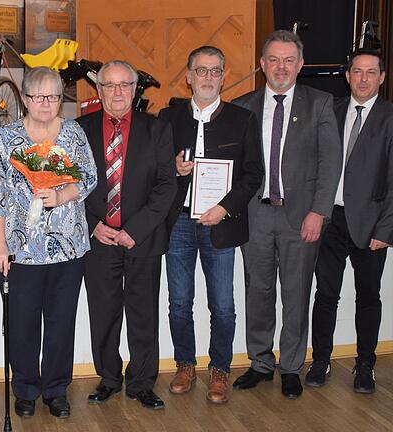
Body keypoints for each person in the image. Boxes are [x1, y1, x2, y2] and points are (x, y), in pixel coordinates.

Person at [231, 30, 342, 399]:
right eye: (274, 60)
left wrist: (319, 212)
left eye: (289, 60)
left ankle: (291, 366)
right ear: (261, 65)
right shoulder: (243, 106)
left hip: (301, 218)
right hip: (256, 216)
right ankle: (261, 363)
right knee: (258, 291)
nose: (281, 67)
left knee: (296, 293)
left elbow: (330, 164)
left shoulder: (321, 103)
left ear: (301, 65)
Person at [0, 67, 97, 419]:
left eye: (53, 96)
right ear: (25, 99)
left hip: (68, 247)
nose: (46, 104)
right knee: (22, 323)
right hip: (21, 250)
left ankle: (55, 388)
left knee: (62, 321)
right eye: (38, 96)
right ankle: (26, 388)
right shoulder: (6, 139)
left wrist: (63, 194)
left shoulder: (74, 133)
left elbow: (90, 177)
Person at [158, 46, 263, 404]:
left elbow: (253, 176)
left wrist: (225, 208)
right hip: (179, 225)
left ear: (223, 76)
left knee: (222, 305)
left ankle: (220, 369)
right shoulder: (167, 119)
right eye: (200, 71)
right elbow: (154, 173)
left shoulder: (242, 119)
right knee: (179, 302)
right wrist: (173, 168)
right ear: (188, 76)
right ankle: (185, 365)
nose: (207, 77)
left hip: (221, 223)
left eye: (215, 71)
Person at [77, 60, 176, 409]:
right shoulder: (79, 129)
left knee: (143, 312)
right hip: (98, 239)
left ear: (134, 90)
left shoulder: (157, 130)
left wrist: (135, 229)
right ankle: (108, 377)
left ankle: (142, 381)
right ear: (99, 90)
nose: (117, 92)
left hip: (142, 237)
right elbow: (71, 185)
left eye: (124, 85)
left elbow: (167, 185)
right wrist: (93, 224)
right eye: (110, 85)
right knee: (103, 311)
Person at [306, 49, 393, 393]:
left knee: (368, 296)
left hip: (371, 226)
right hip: (330, 221)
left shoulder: (390, 117)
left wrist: (385, 229)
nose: (363, 78)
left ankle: (365, 365)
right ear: (347, 75)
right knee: (325, 295)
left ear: (382, 77)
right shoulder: (332, 110)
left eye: (371, 72)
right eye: (357, 71)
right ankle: (321, 360)